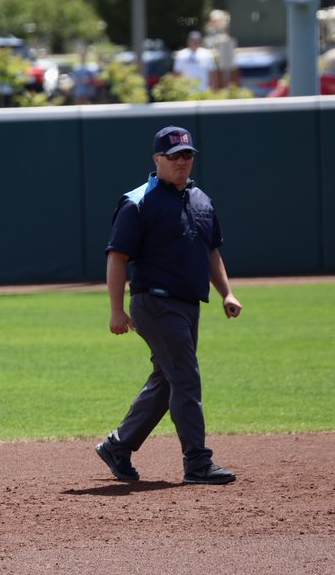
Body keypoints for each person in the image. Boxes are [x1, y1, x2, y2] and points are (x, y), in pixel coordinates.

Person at [97, 126, 242, 486]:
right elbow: (118, 257)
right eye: (174, 156)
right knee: (186, 378)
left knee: (168, 380)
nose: (182, 162)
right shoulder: (138, 201)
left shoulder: (201, 199)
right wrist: (117, 310)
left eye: (187, 155)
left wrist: (227, 292)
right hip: (155, 303)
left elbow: (211, 251)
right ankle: (197, 462)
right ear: (157, 160)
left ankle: (119, 445)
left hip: (188, 305)